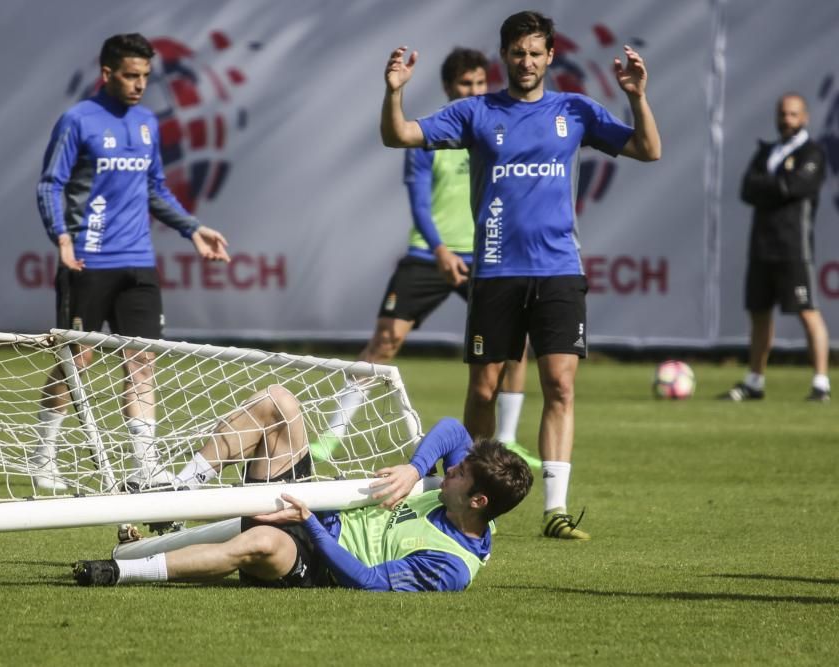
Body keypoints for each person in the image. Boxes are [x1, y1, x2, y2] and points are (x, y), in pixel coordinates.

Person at [380, 10, 661, 540]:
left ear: (550, 56)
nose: (526, 62)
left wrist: (637, 97)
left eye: (536, 53)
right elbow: (399, 136)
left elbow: (649, 149)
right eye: (517, 52)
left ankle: (555, 509)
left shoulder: (574, 110)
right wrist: (394, 92)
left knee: (559, 385)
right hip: (496, 274)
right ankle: (464, 502)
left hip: (558, 272)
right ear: (503, 56)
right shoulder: (475, 112)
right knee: (482, 390)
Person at [72, 384, 534, 592]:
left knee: (260, 540)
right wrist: (416, 469)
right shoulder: (455, 486)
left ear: (477, 502)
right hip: (313, 502)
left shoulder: (451, 568)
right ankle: (181, 488)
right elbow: (454, 428)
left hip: (313, 556)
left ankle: (121, 574)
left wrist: (310, 525)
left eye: (458, 474)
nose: (449, 470)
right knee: (279, 402)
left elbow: (369, 582)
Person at [32, 33, 231, 492]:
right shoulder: (77, 120)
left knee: (142, 361)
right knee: (75, 359)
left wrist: (192, 229)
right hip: (87, 259)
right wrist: (61, 238)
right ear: (107, 74)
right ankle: (42, 457)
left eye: (145, 76)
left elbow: (155, 188)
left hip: (138, 261)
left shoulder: (146, 123)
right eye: (130, 75)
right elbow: (49, 185)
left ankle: (143, 466)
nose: (140, 84)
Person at [327, 47, 538, 469]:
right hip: (431, 254)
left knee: (516, 347)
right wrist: (441, 251)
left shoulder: (499, 130)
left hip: (488, 254)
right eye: (465, 84)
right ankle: (331, 437)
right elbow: (420, 205)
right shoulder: (433, 134)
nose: (473, 90)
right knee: (385, 340)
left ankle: (509, 439)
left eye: (480, 83)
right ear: (448, 87)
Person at [719, 94, 830, 403]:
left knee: (807, 311)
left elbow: (794, 188)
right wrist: (776, 185)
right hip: (762, 245)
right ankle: (754, 381)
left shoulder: (813, 152)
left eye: (793, 114)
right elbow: (747, 189)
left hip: (794, 247)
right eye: (783, 113)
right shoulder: (767, 151)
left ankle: (821, 382)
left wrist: (771, 185)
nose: (787, 119)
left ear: (804, 117)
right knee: (759, 314)